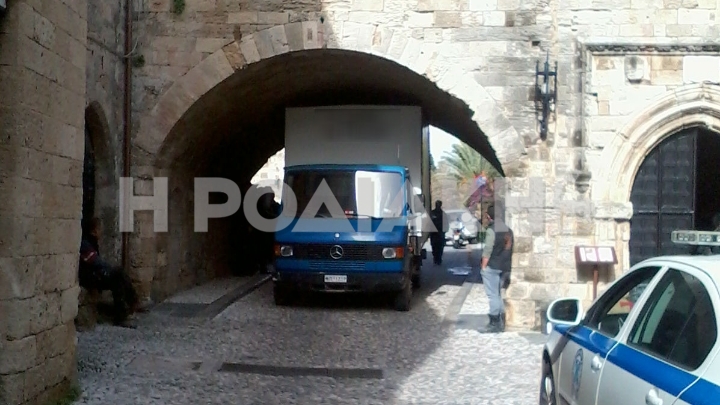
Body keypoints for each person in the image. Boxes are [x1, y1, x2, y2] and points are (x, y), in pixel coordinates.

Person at [79, 218, 139, 327]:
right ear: (93, 231)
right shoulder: (85, 244)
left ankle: (129, 306)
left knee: (118, 278)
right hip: (89, 277)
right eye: (99, 229)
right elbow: (95, 262)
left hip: (94, 273)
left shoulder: (92, 242)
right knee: (117, 275)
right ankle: (129, 306)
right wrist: (109, 269)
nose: (101, 232)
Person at [480, 203, 514, 333]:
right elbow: (509, 248)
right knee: (499, 294)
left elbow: (488, 250)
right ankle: (502, 320)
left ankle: (495, 322)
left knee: (493, 295)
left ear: (489, 216)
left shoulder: (491, 230)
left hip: (492, 266)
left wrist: (483, 266)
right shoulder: (508, 230)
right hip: (505, 266)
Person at [429, 200, 448, 265]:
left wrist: (444, 231)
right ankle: (435, 258)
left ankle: (439, 259)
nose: (437, 205)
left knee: (440, 247)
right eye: (436, 204)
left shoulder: (443, 214)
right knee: (434, 246)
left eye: (438, 204)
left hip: (440, 233)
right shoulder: (432, 213)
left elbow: (446, 223)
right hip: (433, 233)